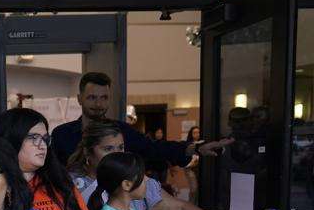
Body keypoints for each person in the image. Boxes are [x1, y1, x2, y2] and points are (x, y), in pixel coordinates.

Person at [68, 121, 256, 210]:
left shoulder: (135, 179)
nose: (117, 154)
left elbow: (179, 209)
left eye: (121, 148)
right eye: (108, 149)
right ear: (88, 153)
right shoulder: (69, 186)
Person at [50, 72, 231, 168]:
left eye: (104, 97)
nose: (98, 104)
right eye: (91, 98)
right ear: (79, 98)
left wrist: (196, 147)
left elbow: (155, 148)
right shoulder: (61, 135)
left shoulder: (122, 131)